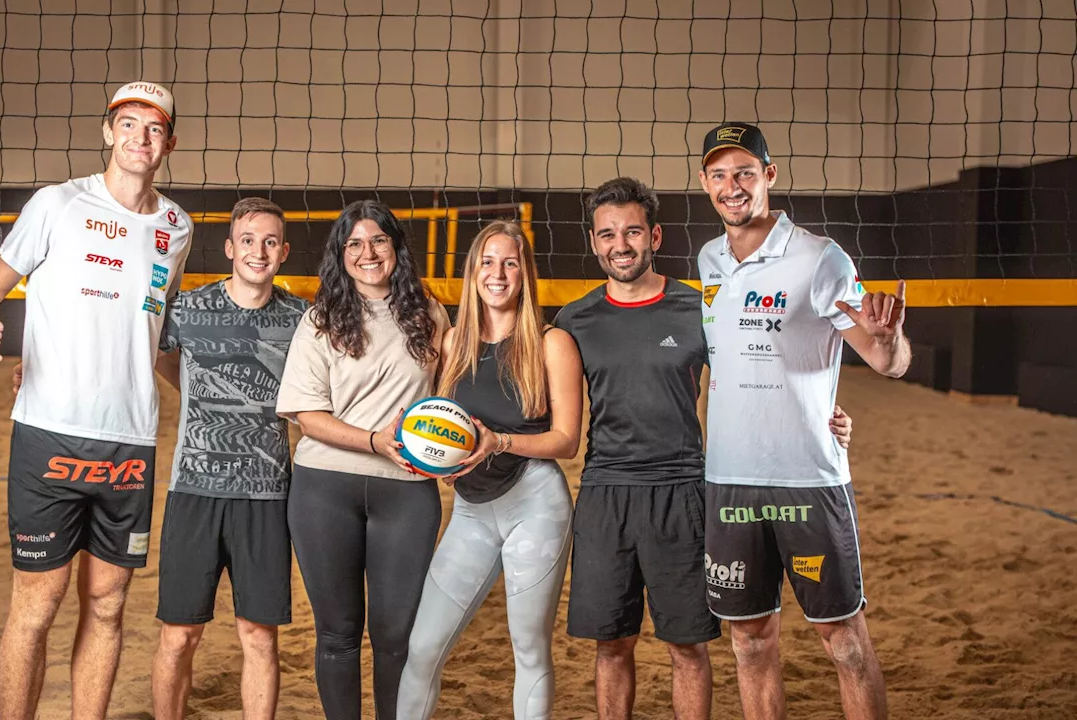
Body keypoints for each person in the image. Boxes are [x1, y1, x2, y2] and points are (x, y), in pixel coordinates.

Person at [556, 176, 854, 720]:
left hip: (685, 494)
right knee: (612, 645)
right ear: (594, 242)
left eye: (632, 232)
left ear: (656, 236)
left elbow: (763, 374)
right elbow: (548, 410)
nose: (620, 245)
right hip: (604, 495)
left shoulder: (700, 308)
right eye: (607, 234)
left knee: (688, 647)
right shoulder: (574, 320)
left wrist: (825, 416)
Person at [0, 81, 191, 720]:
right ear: (109, 132)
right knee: (38, 603)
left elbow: (153, 335)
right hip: (49, 430)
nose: (141, 137)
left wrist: (205, 395)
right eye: (129, 124)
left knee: (110, 602)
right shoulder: (56, 204)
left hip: (131, 438)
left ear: (169, 142)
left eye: (154, 128)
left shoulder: (178, 226)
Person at [696, 122, 909, 720]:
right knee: (749, 640)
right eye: (718, 174)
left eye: (744, 172)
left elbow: (885, 362)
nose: (731, 186)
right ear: (705, 183)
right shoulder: (709, 258)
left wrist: (889, 340)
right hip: (730, 481)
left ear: (769, 175)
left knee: (844, 643)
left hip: (809, 480)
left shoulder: (819, 257)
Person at [396, 220, 583, 719]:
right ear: (473, 271)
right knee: (422, 648)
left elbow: (566, 441)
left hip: (536, 506)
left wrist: (497, 442)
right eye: (488, 261)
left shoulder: (551, 343)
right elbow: (437, 427)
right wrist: (430, 456)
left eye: (510, 262)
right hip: (472, 511)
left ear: (525, 274)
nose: (497, 273)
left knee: (529, 646)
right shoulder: (453, 340)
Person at [274, 199, 450, 720]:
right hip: (325, 489)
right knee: (338, 633)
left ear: (396, 247)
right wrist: (377, 441)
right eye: (354, 243)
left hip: (408, 493)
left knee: (397, 636)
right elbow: (308, 416)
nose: (367, 252)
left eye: (378, 240)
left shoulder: (429, 313)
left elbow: (446, 399)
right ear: (340, 254)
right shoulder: (320, 320)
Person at [149, 198, 308, 720]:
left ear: (283, 252)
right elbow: (149, 355)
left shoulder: (301, 320)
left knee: (259, 637)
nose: (257, 251)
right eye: (247, 240)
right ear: (229, 248)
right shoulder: (190, 310)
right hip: (194, 491)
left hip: (265, 496)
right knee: (180, 637)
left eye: (269, 242)